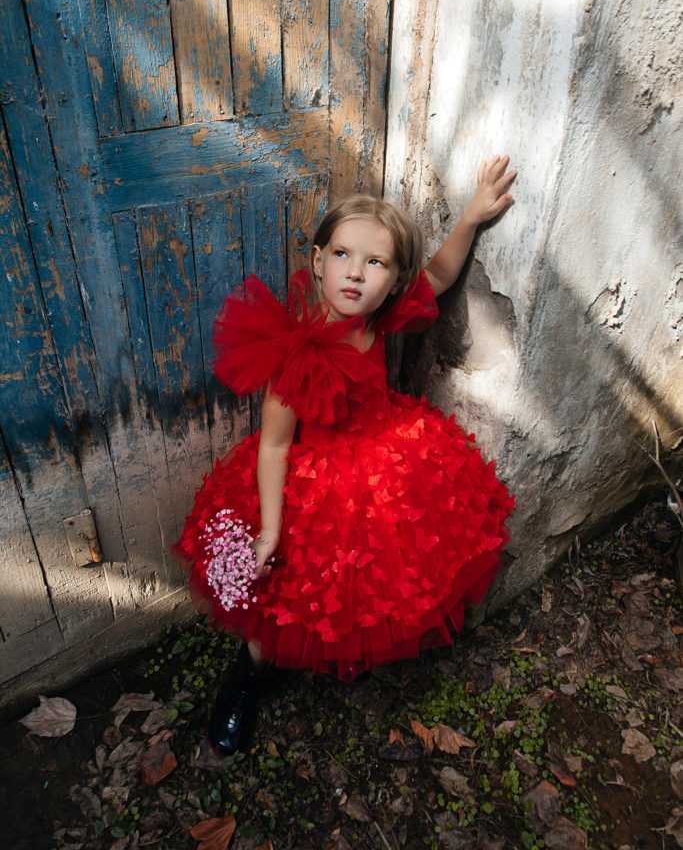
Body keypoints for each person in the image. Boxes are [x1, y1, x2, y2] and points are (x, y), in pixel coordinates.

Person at [171, 154, 518, 756]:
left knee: (383, 571)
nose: (356, 274)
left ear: (391, 277)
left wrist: (471, 216)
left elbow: (436, 274)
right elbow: (276, 446)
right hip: (313, 474)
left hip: (387, 458)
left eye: (375, 262)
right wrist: (272, 528)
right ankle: (249, 671)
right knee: (282, 585)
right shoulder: (299, 352)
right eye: (342, 255)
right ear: (317, 262)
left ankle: (337, 647)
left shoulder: (379, 323)